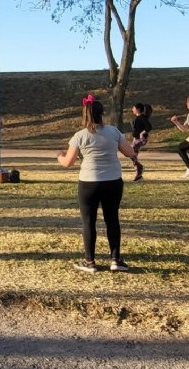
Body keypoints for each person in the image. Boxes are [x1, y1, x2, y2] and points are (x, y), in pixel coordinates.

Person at [57, 94, 136, 273]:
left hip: (88, 183)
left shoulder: (80, 136)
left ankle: (90, 261)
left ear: (84, 114)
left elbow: (68, 162)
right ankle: (115, 260)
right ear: (102, 114)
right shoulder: (114, 132)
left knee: (88, 221)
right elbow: (130, 152)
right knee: (112, 219)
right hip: (113, 181)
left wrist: (59, 155)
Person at [130, 103, 152, 181]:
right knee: (132, 155)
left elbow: (149, 127)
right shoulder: (138, 118)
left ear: (138, 109)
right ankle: (139, 175)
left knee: (131, 153)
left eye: (133, 108)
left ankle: (140, 168)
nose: (132, 109)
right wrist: (134, 139)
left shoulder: (142, 117)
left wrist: (143, 133)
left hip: (141, 139)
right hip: (136, 139)